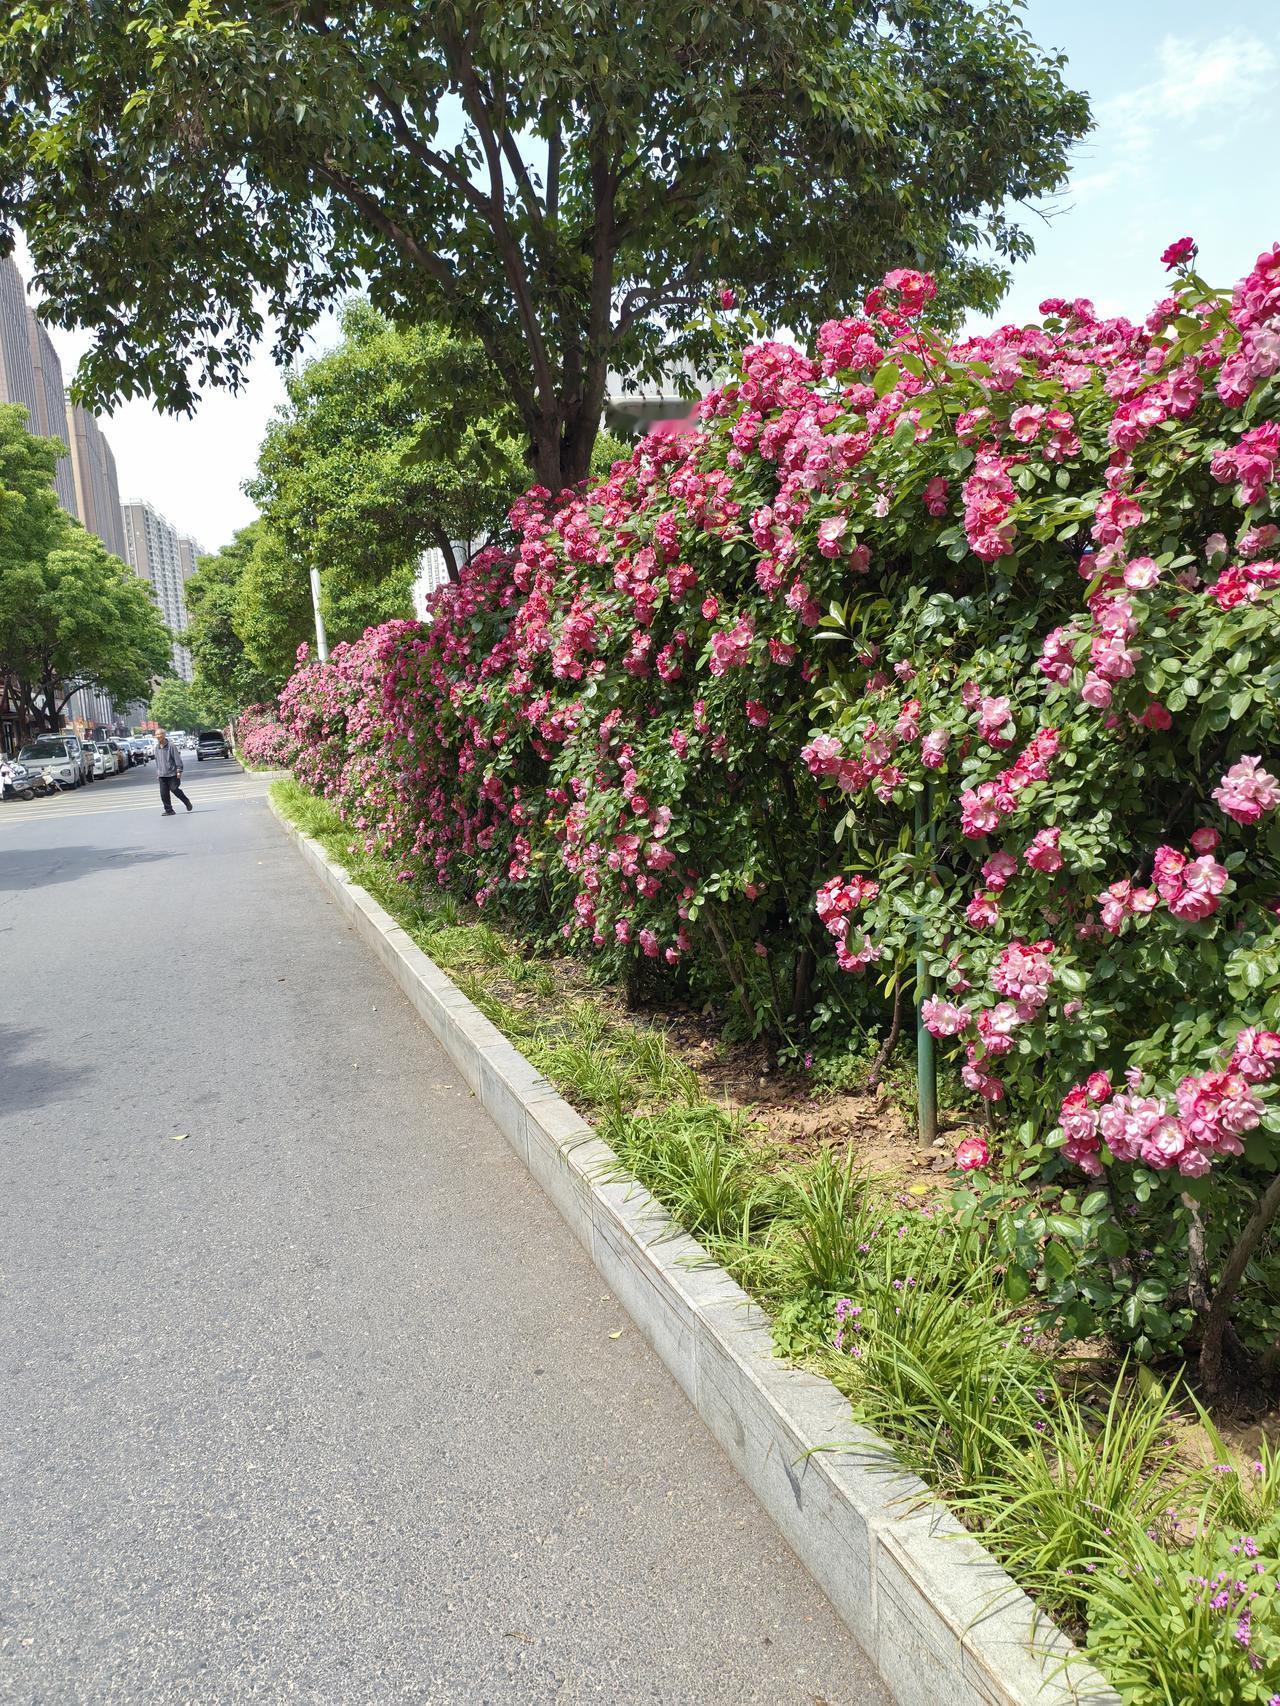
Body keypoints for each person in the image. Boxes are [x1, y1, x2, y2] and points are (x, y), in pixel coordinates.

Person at [153, 729, 192, 815]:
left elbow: (177, 759)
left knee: (174, 789)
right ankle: (169, 810)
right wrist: (158, 772)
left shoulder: (171, 746)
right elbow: (157, 761)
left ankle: (186, 801)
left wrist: (179, 770)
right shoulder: (156, 747)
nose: (158, 736)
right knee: (164, 794)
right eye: (156, 735)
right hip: (162, 774)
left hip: (172, 773)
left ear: (164, 735)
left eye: (159, 734)